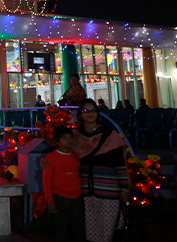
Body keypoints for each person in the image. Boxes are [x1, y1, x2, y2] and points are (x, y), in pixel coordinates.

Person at [76, 98, 129, 242]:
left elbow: (119, 163)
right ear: (80, 114)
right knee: (88, 229)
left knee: (107, 230)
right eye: (86, 111)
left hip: (108, 191)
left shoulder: (109, 134)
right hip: (85, 191)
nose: (90, 114)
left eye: (93, 110)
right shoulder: (76, 136)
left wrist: (124, 188)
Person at [43, 125, 85, 242]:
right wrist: (50, 201)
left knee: (78, 229)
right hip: (60, 198)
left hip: (76, 197)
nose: (69, 140)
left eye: (70, 137)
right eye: (64, 138)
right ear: (57, 141)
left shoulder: (75, 156)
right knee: (61, 230)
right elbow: (46, 180)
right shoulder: (51, 157)